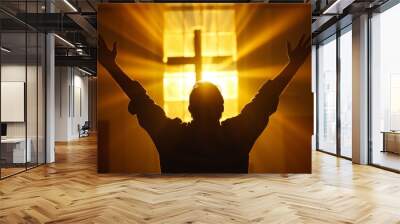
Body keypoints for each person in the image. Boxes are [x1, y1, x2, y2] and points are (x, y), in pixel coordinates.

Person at [98, 34, 310, 173]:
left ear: (190, 108)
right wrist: (294, 64)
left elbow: (140, 99)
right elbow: (265, 99)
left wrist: (111, 65)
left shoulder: (171, 135)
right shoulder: (237, 134)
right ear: (222, 108)